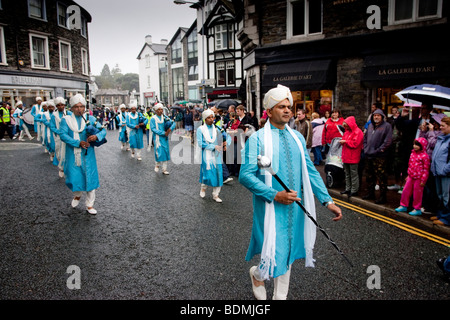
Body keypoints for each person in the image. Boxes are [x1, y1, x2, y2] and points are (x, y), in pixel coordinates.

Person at [239, 84, 342, 300]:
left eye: (289, 106)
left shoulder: (296, 137)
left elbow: (311, 170)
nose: (287, 110)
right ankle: (258, 274)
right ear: (268, 111)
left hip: (295, 207)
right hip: (270, 207)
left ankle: (279, 296)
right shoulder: (257, 139)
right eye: (281, 107)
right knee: (275, 252)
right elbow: (245, 176)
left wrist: (327, 200)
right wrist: (274, 195)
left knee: (286, 254)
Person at [59, 94, 107, 215]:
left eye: (81, 106)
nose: (79, 109)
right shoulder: (66, 120)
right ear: (71, 108)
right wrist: (77, 142)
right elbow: (63, 135)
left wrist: (96, 136)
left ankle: (90, 205)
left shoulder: (90, 119)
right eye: (76, 106)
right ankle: (77, 194)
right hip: (73, 154)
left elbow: (103, 130)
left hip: (88, 154)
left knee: (90, 177)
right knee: (74, 176)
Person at [197, 109, 230, 203]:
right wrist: (213, 146)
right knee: (207, 173)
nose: (212, 119)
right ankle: (203, 187)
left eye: (213, 117)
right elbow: (200, 143)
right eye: (209, 118)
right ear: (204, 119)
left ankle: (216, 195)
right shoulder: (201, 130)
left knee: (219, 174)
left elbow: (226, 136)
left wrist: (225, 143)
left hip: (217, 154)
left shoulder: (217, 128)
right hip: (206, 155)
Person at [363, 109, 393, 204]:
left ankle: (382, 197)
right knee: (369, 176)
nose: (376, 117)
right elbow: (365, 138)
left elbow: (388, 141)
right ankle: (370, 193)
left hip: (380, 156)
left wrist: (379, 150)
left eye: (378, 115)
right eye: (374, 115)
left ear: (382, 117)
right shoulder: (370, 126)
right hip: (369, 155)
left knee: (381, 177)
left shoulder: (387, 126)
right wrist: (365, 148)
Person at [394, 138, 430, 216]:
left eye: (417, 145)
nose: (415, 146)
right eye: (414, 144)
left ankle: (417, 208)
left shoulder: (425, 156)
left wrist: (423, 180)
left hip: (419, 178)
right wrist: (408, 175)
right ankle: (403, 205)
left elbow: (426, 169)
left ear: (422, 146)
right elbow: (410, 165)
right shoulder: (412, 153)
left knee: (417, 194)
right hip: (411, 176)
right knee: (405, 191)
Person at [430, 116, 450, 226]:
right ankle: (440, 215)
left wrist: (445, 169)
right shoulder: (441, 138)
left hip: (445, 173)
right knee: (440, 195)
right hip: (437, 172)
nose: (440, 127)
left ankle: (446, 219)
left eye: (443, 126)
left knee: (446, 197)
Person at [339, 116, 364, 197]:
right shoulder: (347, 132)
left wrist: (345, 141)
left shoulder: (358, 132)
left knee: (353, 174)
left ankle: (354, 190)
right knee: (347, 173)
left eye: (346, 125)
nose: (345, 127)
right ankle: (348, 188)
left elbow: (355, 143)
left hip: (353, 156)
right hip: (346, 155)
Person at [150, 103, 176, 174]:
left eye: (161, 109)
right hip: (158, 138)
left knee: (165, 152)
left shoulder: (165, 117)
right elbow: (153, 129)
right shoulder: (153, 119)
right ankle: (157, 164)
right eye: (159, 109)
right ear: (155, 110)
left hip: (165, 138)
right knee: (158, 152)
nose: (160, 111)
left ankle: (164, 169)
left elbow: (174, 123)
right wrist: (163, 133)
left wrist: (170, 129)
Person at [50, 97, 70, 178]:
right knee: (59, 153)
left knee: (68, 153)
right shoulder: (54, 116)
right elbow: (52, 127)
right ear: (56, 106)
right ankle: (61, 167)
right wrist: (60, 133)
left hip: (68, 137)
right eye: (58, 105)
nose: (60, 107)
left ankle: (66, 168)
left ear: (64, 105)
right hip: (58, 137)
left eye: (62, 105)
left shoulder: (69, 113)